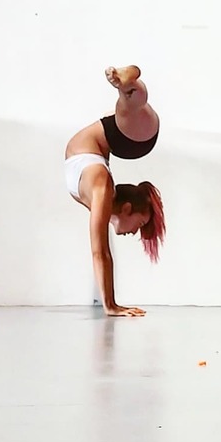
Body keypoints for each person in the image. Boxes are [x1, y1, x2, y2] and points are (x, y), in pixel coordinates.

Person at [64, 65, 166, 317]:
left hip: (108, 140)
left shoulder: (102, 187)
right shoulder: (102, 187)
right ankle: (128, 84)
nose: (134, 232)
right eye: (139, 224)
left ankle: (127, 90)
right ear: (128, 208)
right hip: (122, 140)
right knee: (136, 112)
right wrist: (110, 306)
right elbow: (100, 252)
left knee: (134, 113)